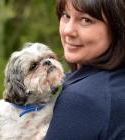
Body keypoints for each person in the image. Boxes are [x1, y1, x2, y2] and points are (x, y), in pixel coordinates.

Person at [45, 0, 125, 139]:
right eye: (66, 15)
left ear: (116, 27)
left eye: (85, 20)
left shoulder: (82, 99)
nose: (68, 30)